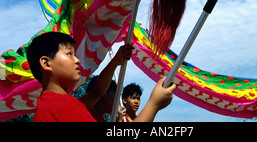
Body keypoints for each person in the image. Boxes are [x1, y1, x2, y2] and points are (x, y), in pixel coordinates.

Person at [27, 32, 176, 122]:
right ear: (46, 63)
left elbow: (97, 92)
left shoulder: (51, 104)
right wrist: (154, 104)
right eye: (69, 54)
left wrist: (116, 61)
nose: (77, 60)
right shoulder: (63, 106)